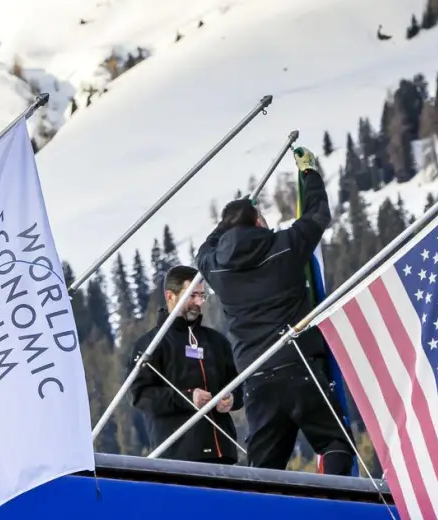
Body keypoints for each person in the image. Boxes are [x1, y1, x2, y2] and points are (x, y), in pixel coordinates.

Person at [196, 146, 354, 474]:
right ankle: (334, 508)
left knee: (264, 471)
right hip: (299, 366)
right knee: (336, 443)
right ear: (258, 221)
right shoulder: (285, 246)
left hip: (256, 378)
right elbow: (316, 215)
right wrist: (309, 173)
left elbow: (204, 250)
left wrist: (227, 225)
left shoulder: (218, 272)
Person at [130, 265, 242, 463]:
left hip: (223, 453)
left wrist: (232, 399)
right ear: (170, 296)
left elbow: (240, 384)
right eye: (191, 295)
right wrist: (188, 397)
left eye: (202, 295)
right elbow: (141, 396)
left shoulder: (216, 341)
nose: (198, 302)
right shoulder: (151, 344)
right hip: (179, 455)